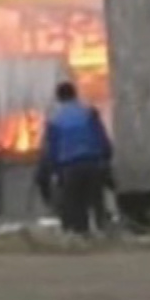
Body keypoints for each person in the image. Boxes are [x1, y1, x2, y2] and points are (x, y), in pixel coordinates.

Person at [39, 81, 116, 236]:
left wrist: (54, 172)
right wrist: (106, 161)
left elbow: (51, 151)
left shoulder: (54, 120)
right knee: (97, 202)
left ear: (58, 98)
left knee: (74, 206)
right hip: (94, 164)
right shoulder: (89, 112)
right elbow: (103, 141)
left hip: (70, 168)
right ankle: (104, 234)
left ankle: (82, 236)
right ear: (75, 94)